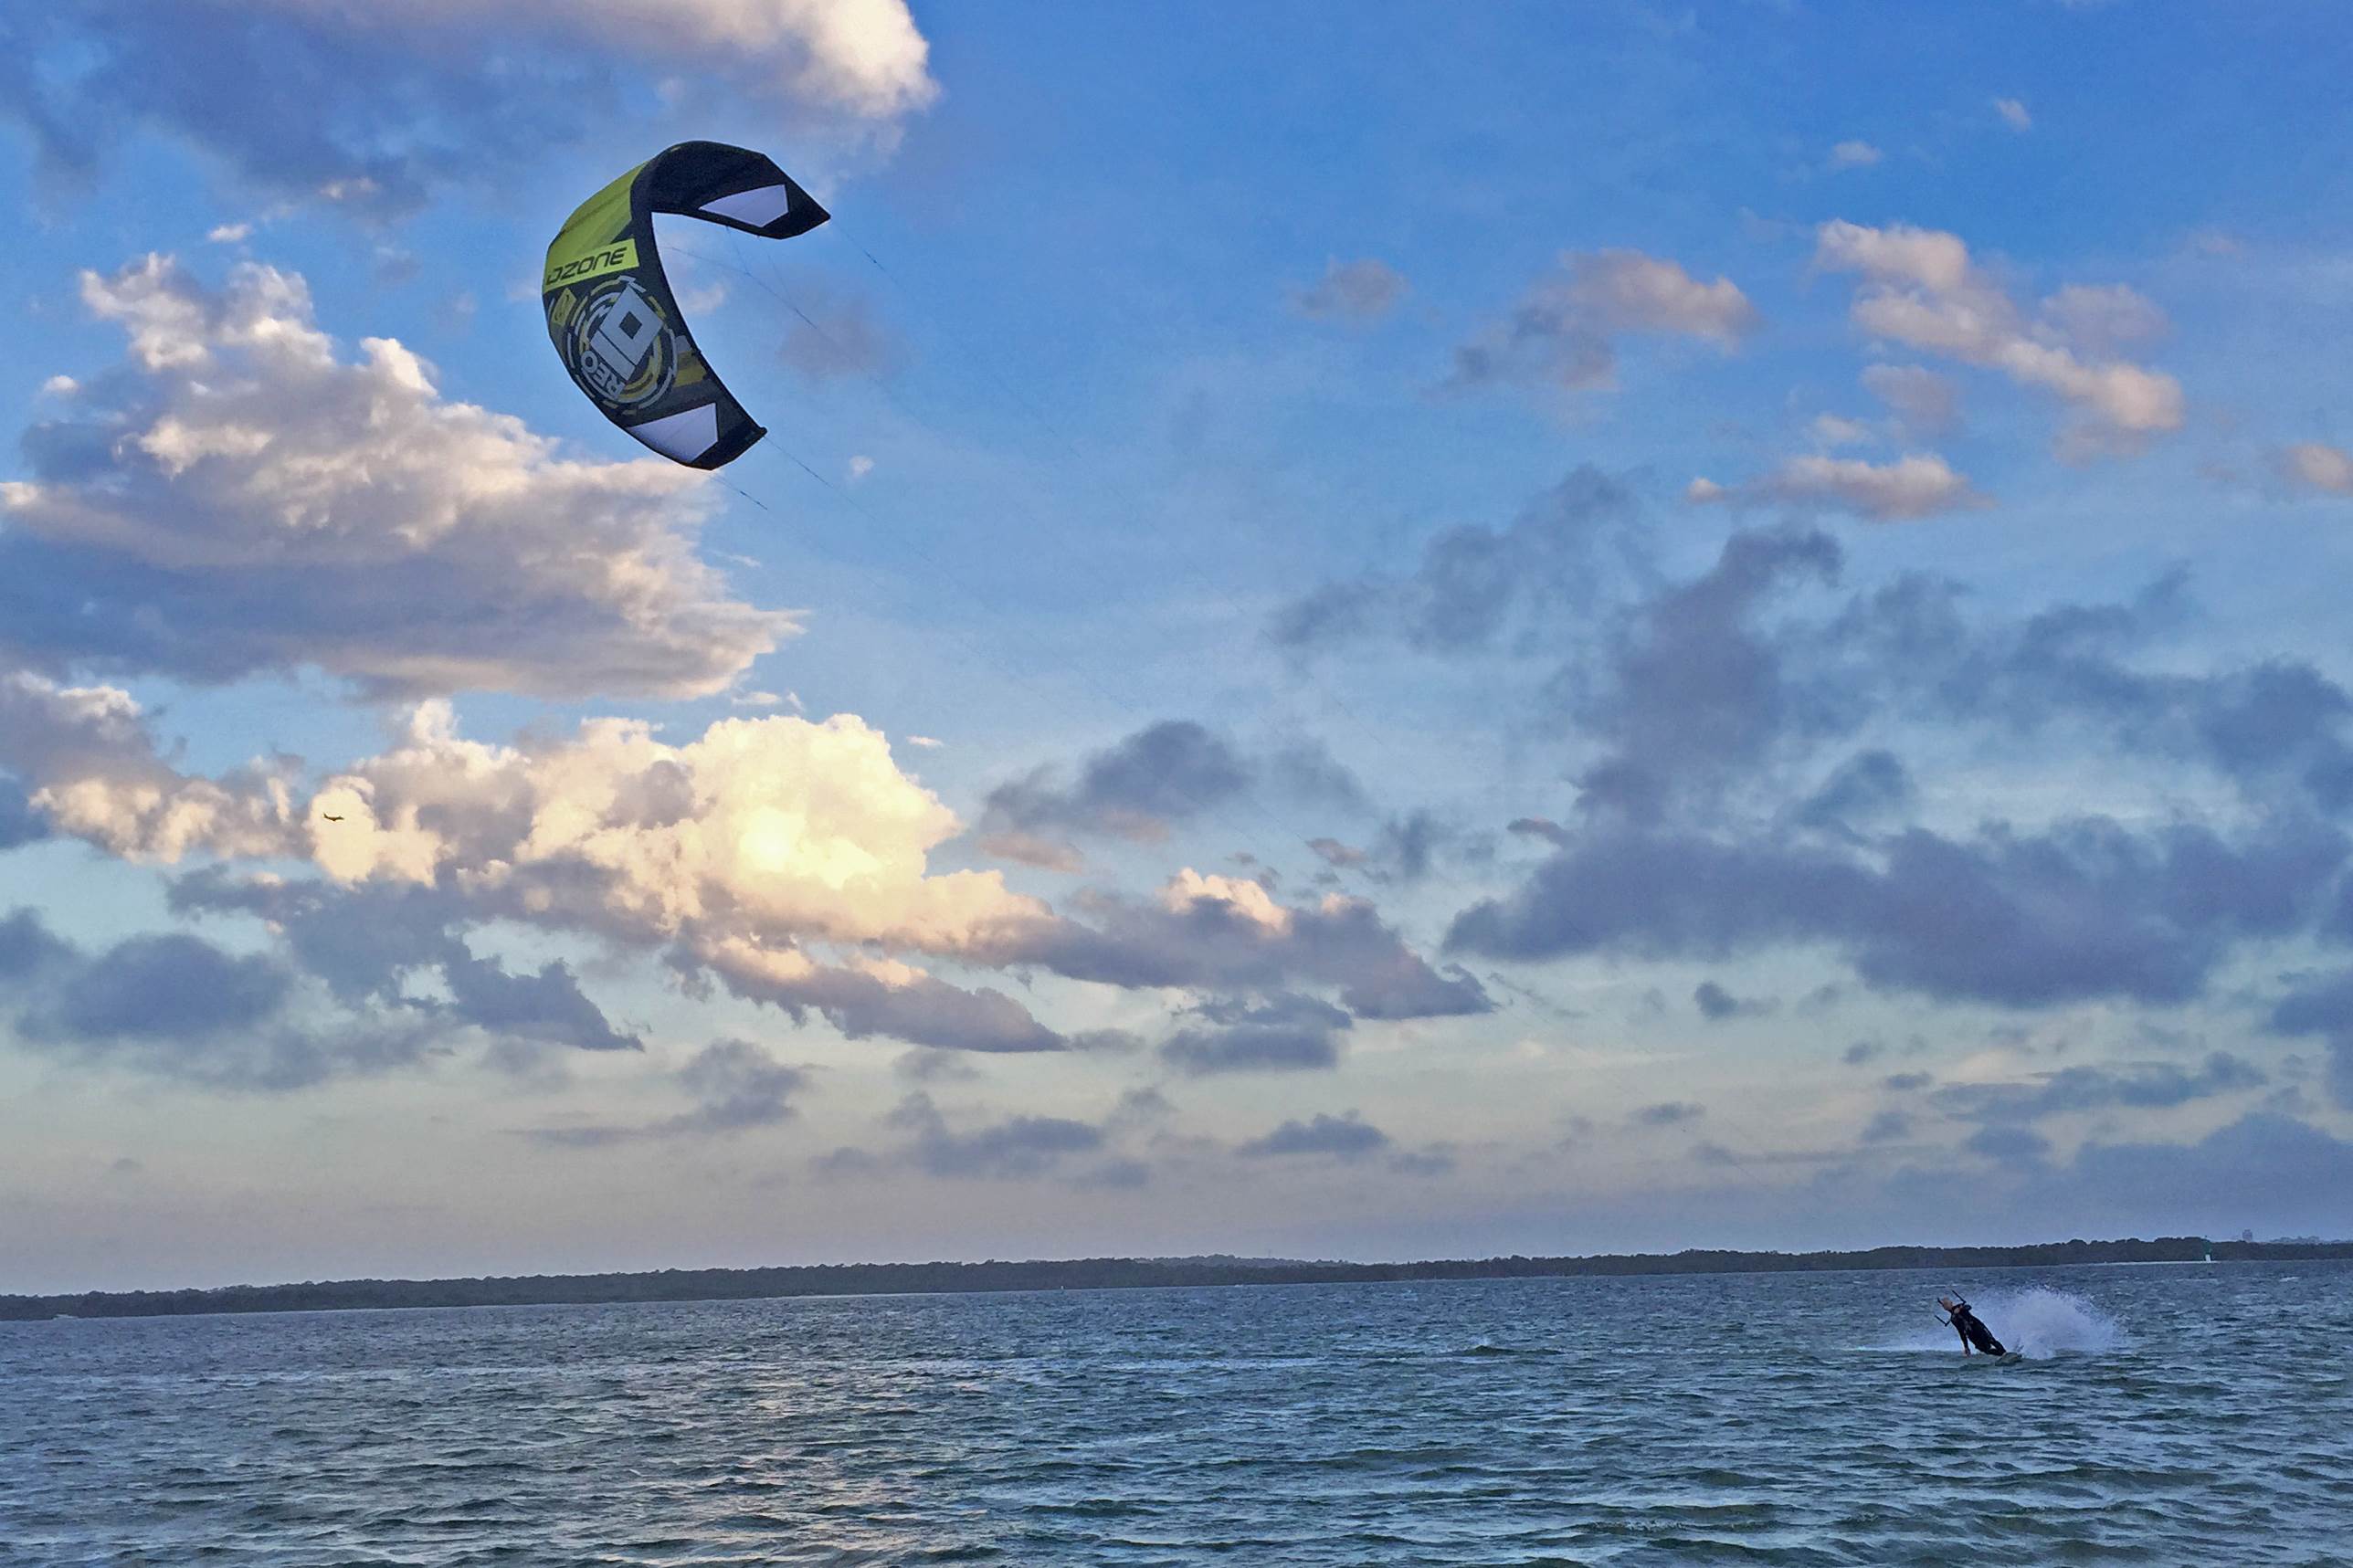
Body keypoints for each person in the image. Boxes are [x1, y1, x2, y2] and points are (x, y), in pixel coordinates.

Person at [1936, 1294, 2006, 1356]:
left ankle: (2004, 1353)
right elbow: (1961, 1333)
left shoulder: (1959, 1307)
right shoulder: (1953, 1319)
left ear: (1951, 1303)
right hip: (1971, 1335)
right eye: (1944, 1305)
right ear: (1944, 1308)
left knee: (1991, 1340)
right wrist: (1966, 1347)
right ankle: (2001, 1355)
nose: (1945, 1306)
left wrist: (1960, 1309)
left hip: (1978, 1327)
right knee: (1985, 1350)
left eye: (1946, 1304)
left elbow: (1969, 1307)